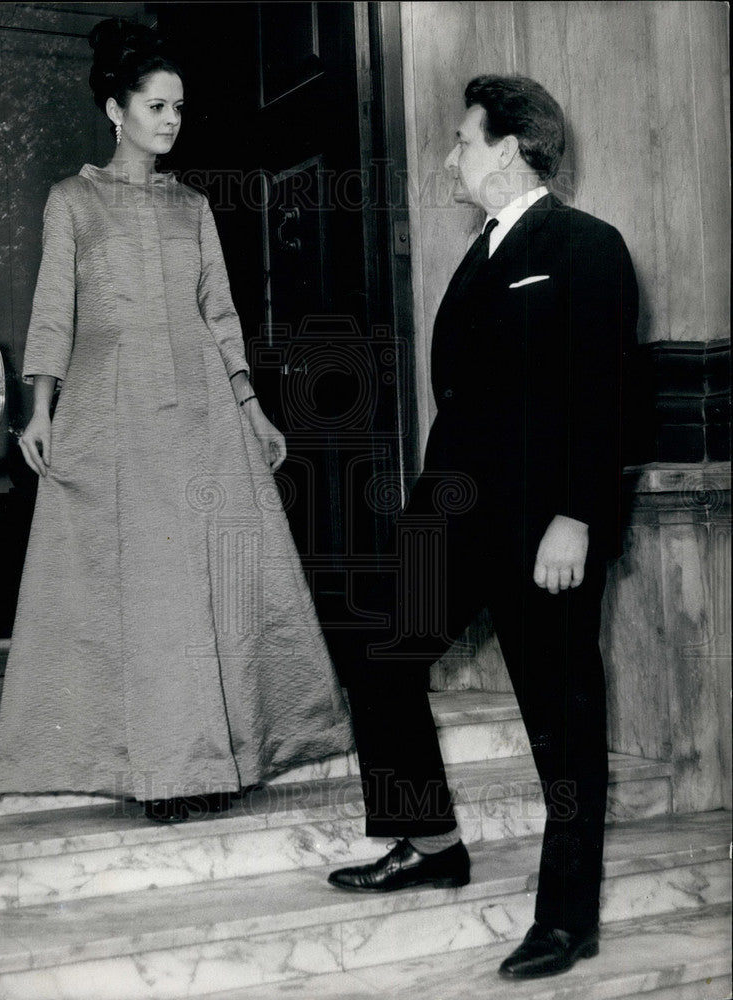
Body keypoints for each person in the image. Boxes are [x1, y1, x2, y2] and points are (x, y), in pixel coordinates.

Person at [0, 18, 352, 823]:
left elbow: (220, 315)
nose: (171, 120)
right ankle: (159, 769)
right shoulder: (71, 202)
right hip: (111, 419)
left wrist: (253, 410)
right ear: (116, 111)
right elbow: (53, 313)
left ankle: (221, 758)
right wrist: (37, 409)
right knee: (143, 594)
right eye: (156, 106)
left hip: (203, 419)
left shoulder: (193, 208)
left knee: (210, 589)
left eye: (179, 108)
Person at [327, 75, 639, 980]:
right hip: (454, 518)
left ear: (509, 147)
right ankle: (429, 843)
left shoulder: (586, 246)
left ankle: (568, 918)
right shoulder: (481, 251)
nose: (452, 155)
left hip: (545, 531)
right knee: (380, 652)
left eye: (464, 139)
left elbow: (606, 400)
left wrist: (576, 518)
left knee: (562, 725)